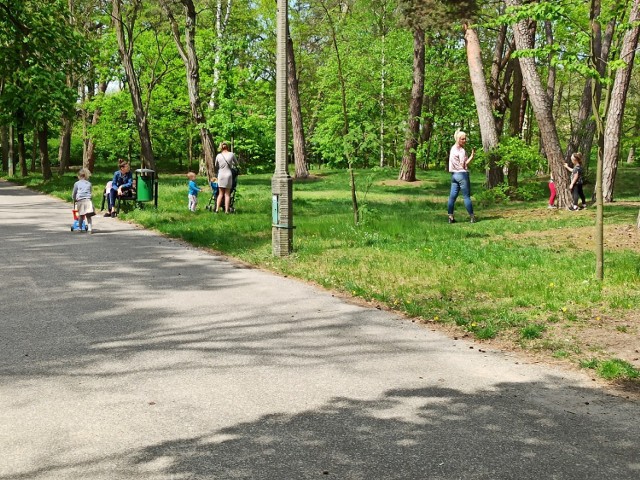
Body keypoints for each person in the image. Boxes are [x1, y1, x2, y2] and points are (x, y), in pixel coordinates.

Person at [447, 130, 475, 223]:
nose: (465, 140)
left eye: (465, 138)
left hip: (454, 175)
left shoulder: (452, 148)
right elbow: (464, 165)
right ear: (458, 139)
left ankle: (450, 217)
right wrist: (472, 156)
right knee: (466, 197)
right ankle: (472, 217)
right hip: (462, 174)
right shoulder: (461, 151)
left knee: (452, 197)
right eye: (463, 139)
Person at [214, 141, 238, 214]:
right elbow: (236, 163)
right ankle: (227, 210)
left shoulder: (218, 155)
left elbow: (216, 165)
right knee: (227, 194)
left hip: (221, 175)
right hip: (228, 175)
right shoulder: (231, 154)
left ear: (221, 148)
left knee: (220, 193)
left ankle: (217, 209)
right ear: (228, 147)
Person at [72, 168, 95, 233]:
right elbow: (90, 192)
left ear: (79, 176)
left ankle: (80, 228)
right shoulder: (89, 183)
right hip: (88, 200)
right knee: (88, 216)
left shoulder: (76, 183)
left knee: (81, 215)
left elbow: (74, 192)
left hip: (80, 200)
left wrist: (74, 198)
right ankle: (90, 229)